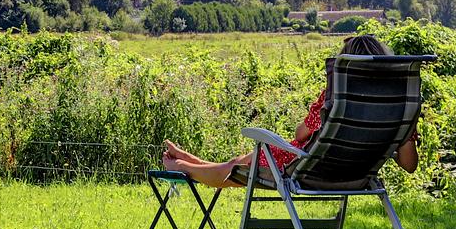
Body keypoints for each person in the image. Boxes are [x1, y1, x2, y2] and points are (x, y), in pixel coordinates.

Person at [160, 34, 420, 187]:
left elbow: (302, 132)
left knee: (235, 169)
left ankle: (183, 166)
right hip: (359, 174)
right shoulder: (398, 107)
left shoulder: (336, 98)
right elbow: (409, 165)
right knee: (239, 163)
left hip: (312, 169)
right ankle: (188, 160)